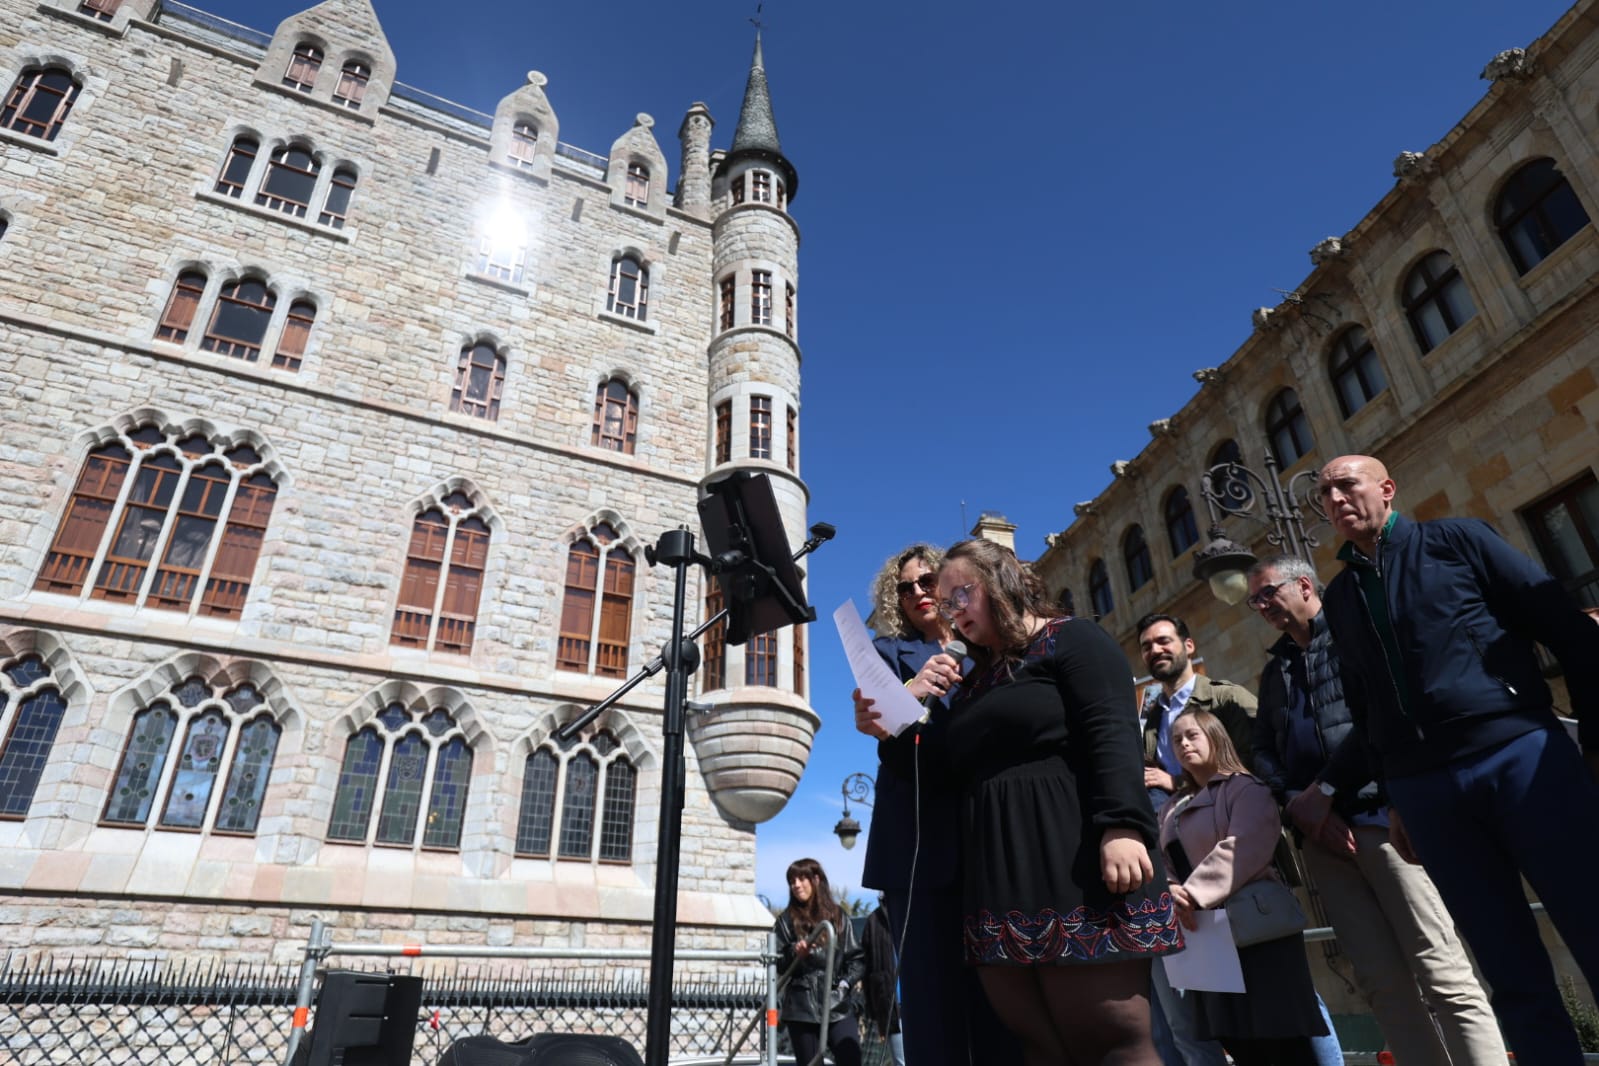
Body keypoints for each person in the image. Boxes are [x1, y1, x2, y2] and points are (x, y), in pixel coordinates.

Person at [1310, 453, 1599, 1063]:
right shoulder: (1338, 599)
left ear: (1387, 489)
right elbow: (1366, 708)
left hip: (1519, 756)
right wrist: (1395, 797)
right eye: (1323, 495)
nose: (1334, 500)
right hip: (1426, 795)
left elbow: (1564, 626)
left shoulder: (1457, 540)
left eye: (1345, 485)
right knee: (1509, 970)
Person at [864, 538, 1181, 1065]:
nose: (952, 611)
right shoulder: (971, 684)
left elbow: (1112, 730)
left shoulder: (1071, 639)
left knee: (1111, 1036)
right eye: (946, 605)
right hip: (999, 881)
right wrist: (892, 722)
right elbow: (935, 769)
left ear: (1001, 583)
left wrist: (1123, 825)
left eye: (959, 593)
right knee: (1036, 1044)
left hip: (1076, 864)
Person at [1247, 552, 1505, 1065]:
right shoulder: (1275, 670)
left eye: (1268, 593)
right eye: (1255, 599)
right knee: (1380, 983)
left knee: (1442, 972)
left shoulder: (1351, 637)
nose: (1261, 605)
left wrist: (1323, 793)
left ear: (1304, 586)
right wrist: (1298, 806)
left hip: (1381, 821)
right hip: (1321, 841)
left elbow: (1378, 720)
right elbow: (1262, 750)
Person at [849, 543, 1014, 1065]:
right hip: (917, 845)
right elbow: (880, 722)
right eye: (906, 587)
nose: (918, 592)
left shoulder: (989, 649)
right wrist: (913, 689)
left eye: (928, 581)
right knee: (931, 1003)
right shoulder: (887, 653)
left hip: (988, 840)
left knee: (1001, 998)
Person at [1159, 709, 1329, 1066]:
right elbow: (1163, 861)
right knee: (1236, 1040)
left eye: (1193, 735)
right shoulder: (1171, 808)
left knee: (1282, 1039)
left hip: (1256, 930)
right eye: (1177, 740)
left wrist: (1190, 894)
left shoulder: (1245, 788)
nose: (1184, 744)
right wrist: (1169, 889)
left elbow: (1245, 845)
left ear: (1215, 737)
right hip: (1205, 934)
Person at [1135, 613, 1258, 1066]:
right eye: (1147, 646)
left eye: (1164, 641)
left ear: (1188, 645)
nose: (1156, 651)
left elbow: (1260, 766)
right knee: (1208, 1005)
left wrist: (1177, 783)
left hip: (1234, 858)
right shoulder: (1150, 719)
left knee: (1274, 999)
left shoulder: (1225, 698)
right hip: (1181, 868)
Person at [774, 858, 865, 1066]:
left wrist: (844, 984)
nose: (796, 885)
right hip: (801, 1008)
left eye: (801, 878)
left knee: (851, 1058)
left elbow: (857, 959)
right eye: (791, 881)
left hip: (837, 1003)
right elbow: (777, 963)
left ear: (816, 879)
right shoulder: (784, 921)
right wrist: (794, 953)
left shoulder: (838, 916)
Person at [860, 904, 904, 1066]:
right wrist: (876, 1014)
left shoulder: (920, 909)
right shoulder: (874, 921)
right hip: (893, 1010)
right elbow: (867, 971)